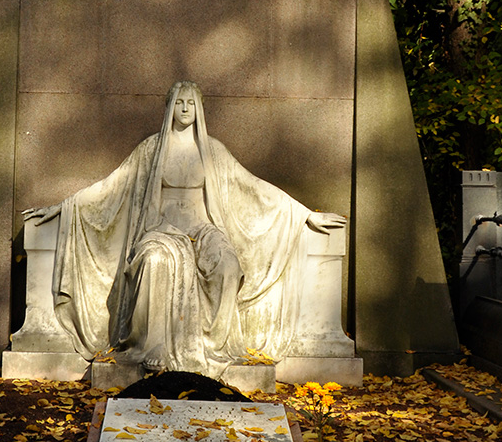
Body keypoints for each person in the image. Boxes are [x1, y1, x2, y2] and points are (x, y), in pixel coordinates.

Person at [23, 81, 345, 377]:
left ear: (199, 108)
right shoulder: (151, 150)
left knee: (228, 265)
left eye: (191, 103)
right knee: (153, 262)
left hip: (204, 229)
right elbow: (112, 186)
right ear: (170, 107)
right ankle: (154, 346)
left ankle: (214, 346)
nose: (186, 109)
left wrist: (303, 214)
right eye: (180, 103)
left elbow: (252, 186)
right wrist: (64, 208)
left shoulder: (213, 152)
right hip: (161, 229)